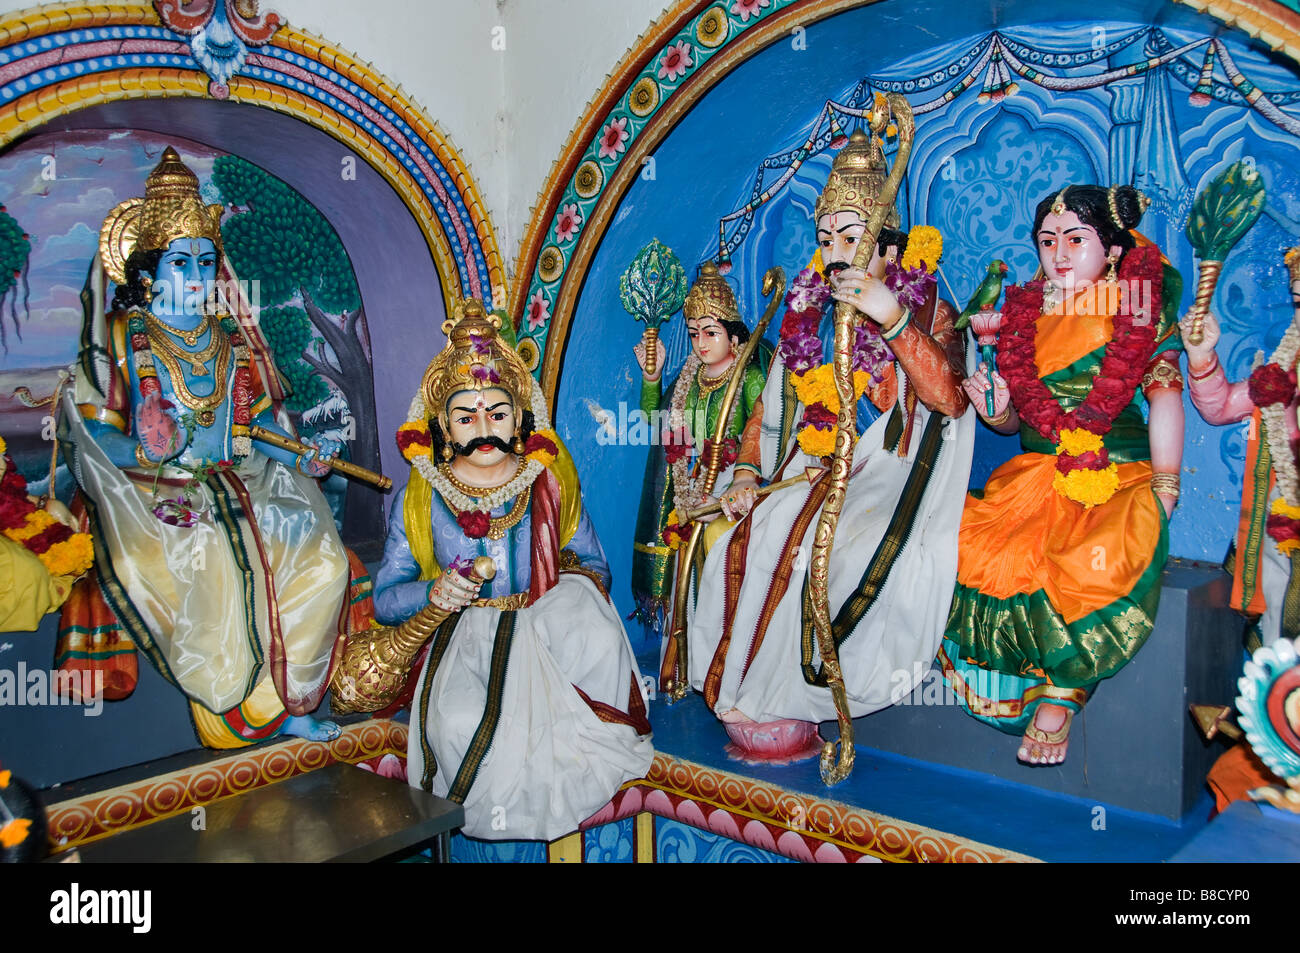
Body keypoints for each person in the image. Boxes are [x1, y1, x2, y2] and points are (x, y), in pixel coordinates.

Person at [686, 130, 973, 760]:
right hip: (811, 466)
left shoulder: (926, 309)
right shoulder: (808, 310)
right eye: (826, 240)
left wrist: (889, 315)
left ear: (891, 249)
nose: (836, 254)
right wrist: (742, 474)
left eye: (853, 238)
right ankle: (744, 693)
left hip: (889, 472)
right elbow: (770, 412)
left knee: (836, 554)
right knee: (742, 542)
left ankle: (791, 699)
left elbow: (949, 400)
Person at [59, 147, 350, 747]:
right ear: (145, 273)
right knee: (189, 559)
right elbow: (91, 433)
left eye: (205, 262)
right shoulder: (117, 339)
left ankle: (287, 707)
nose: (196, 277)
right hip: (151, 488)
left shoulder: (232, 342)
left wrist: (303, 458)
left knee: (327, 563)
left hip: (245, 479)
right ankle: (231, 703)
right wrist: (145, 446)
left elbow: (263, 426)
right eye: (179, 263)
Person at [377, 298, 653, 841]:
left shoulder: (547, 481)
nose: (483, 427)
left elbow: (594, 566)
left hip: (545, 629)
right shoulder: (422, 496)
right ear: (443, 427)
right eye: (466, 416)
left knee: (584, 652)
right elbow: (387, 598)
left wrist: (562, 600)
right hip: (462, 640)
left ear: (521, 417)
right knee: (459, 726)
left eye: (497, 413)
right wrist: (435, 592)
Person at [942, 184, 1184, 765]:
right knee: (970, 545)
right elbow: (1011, 425)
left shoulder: (1134, 304)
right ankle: (1017, 682)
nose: (1061, 253)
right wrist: (994, 407)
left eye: (1077, 239)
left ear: (1113, 247)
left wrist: (1167, 483)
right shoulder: (1027, 313)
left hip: (1114, 472)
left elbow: (1166, 395)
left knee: (1083, 560)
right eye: (1048, 241)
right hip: (1032, 474)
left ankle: (1062, 694)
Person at [630, 261, 767, 634]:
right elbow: (656, 424)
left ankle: (727, 644)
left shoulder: (750, 377)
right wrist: (652, 378)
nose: (701, 343)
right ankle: (686, 654)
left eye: (710, 332)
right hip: (690, 486)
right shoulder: (688, 379)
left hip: (741, 485)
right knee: (683, 557)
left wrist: (739, 480)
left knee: (714, 541)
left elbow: (770, 434)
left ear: (734, 336)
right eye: (694, 334)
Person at [1180, 247, 1300, 649]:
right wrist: (1201, 354)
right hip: (1284, 510)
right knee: (1278, 617)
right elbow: (1220, 407)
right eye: (1299, 299)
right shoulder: (1282, 375)